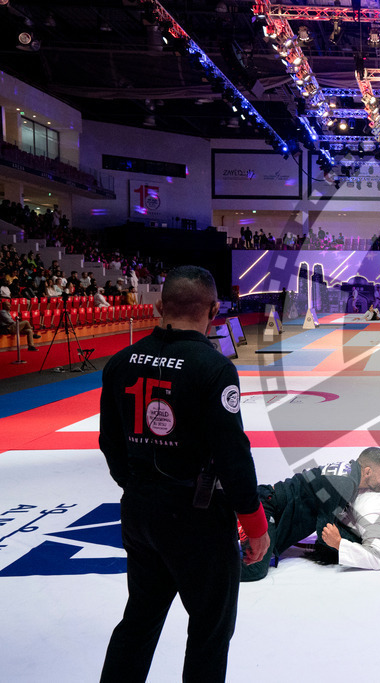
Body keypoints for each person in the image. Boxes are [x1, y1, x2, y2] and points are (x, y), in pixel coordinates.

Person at [98, 265, 270, 682]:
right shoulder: (213, 368)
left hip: (139, 512)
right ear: (214, 310)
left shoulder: (120, 363)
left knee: (138, 620)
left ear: (159, 306)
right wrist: (255, 521)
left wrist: (138, 487)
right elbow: (232, 453)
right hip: (198, 518)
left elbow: (109, 441)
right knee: (210, 630)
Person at [240, 447, 380, 582]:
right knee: (256, 569)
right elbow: (324, 533)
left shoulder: (348, 472)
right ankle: (217, 572)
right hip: (269, 505)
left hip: (273, 503)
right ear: (368, 471)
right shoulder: (346, 484)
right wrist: (355, 547)